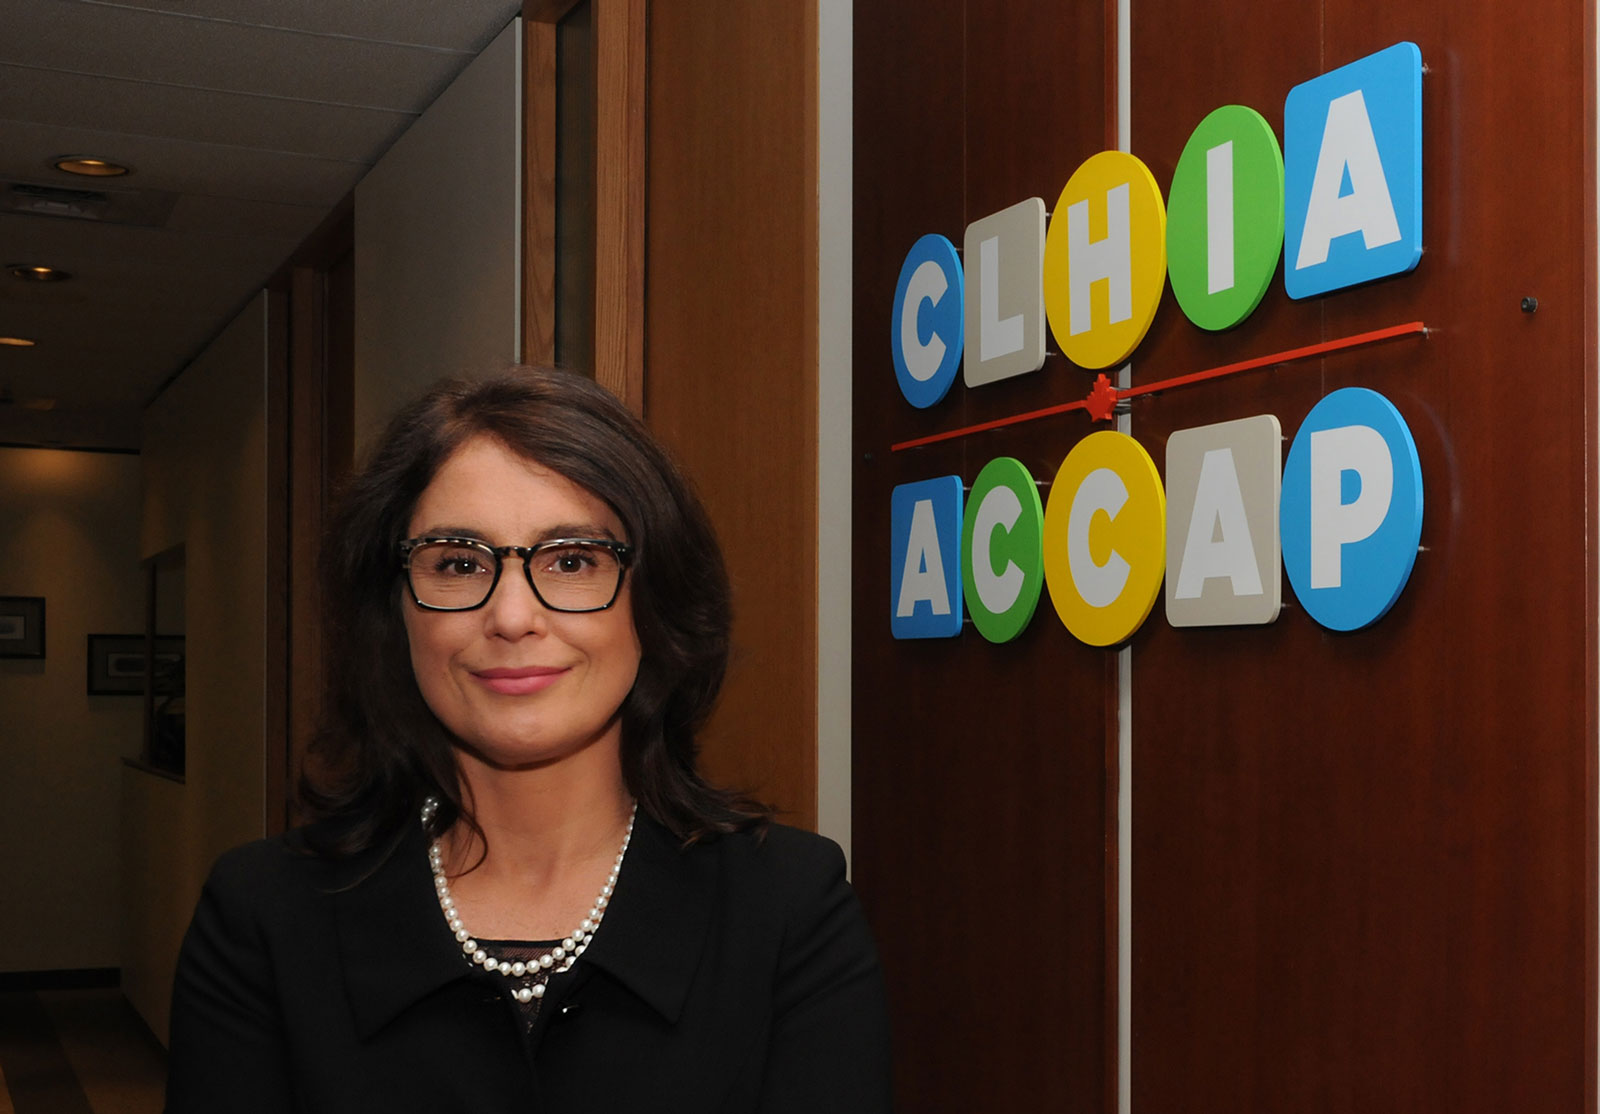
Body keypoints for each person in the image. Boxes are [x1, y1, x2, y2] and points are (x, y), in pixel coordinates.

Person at [165, 369, 892, 1112]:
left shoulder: (788, 911)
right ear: (395, 611)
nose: (512, 616)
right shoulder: (261, 919)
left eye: (572, 560)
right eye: (457, 562)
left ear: (655, 599)